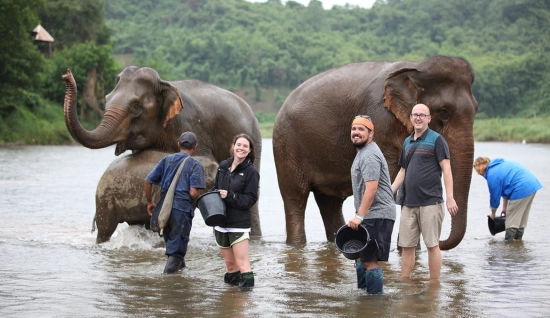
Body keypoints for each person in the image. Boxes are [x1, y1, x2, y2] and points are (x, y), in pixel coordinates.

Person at [391, 103, 458, 280]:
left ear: (429, 119)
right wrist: (390, 191)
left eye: (422, 115)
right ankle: (405, 282)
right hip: (408, 204)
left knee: (431, 245)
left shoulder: (437, 140)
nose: (418, 118)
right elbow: (403, 171)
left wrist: (450, 198)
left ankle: (434, 286)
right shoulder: (407, 141)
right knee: (406, 246)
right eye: (415, 115)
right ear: (411, 118)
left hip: (431, 202)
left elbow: (447, 169)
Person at [347, 115, 396, 294]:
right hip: (370, 215)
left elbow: (371, 189)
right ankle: (364, 300)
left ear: (371, 133)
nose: (356, 133)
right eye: (354, 129)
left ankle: (375, 304)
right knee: (361, 258)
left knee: (370, 261)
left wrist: (359, 216)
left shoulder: (369, 155)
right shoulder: (363, 153)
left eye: (361, 129)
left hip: (378, 215)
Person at [144, 131, 205, 274]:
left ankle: (182, 272)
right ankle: (167, 286)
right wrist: (201, 201)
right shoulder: (195, 165)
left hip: (164, 211)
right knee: (177, 251)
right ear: (195, 147)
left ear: (178, 145)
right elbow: (193, 192)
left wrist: (149, 202)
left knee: (173, 244)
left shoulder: (166, 160)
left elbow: (148, 181)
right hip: (181, 211)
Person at [211, 133, 259, 288]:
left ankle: (245, 303)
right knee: (231, 266)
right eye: (239, 145)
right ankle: (231, 301)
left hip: (238, 224)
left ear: (250, 150)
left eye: (245, 146)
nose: (241, 148)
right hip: (220, 223)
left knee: (243, 264)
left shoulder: (251, 172)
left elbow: (250, 200)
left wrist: (230, 196)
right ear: (233, 146)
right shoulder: (223, 166)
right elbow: (215, 188)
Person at [473, 156, 542, 240]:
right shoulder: (499, 166)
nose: (480, 175)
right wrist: (504, 208)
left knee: (511, 222)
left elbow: (494, 198)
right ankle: (518, 245)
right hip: (532, 186)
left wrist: (493, 214)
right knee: (520, 221)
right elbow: (505, 189)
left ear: (480, 169)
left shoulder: (492, 174)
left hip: (521, 188)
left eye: (479, 172)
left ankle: (509, 246)